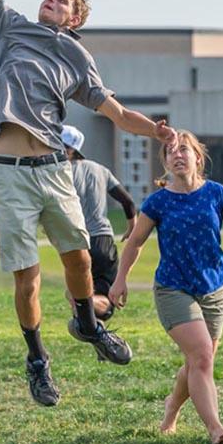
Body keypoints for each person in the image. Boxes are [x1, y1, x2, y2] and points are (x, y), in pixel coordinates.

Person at [0, 0, 176, 407]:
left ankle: (87, 323)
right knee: (27, 276)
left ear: (75, 18)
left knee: (78, 259)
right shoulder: (10, 28)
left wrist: (154, 130)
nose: (50, 0)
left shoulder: (78, 57)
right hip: (10, 174)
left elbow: (116, 112)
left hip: (56, 171)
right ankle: (37, 362)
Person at [109, 131, 223, 444]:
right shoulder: (158, 201)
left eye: (183, 149)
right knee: (201, 356)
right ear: (166, 163)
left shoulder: (216, 193)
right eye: (170, 152)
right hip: (173, 289)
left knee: (199, 359)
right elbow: (135, 243)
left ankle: (171, 408)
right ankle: (215, 429)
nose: (177, 155)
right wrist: (120, 280)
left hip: (214, 288)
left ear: (198, 157)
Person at [61, 125, 136, 330]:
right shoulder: (100, 169)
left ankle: (80, 302)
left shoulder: (59, 172)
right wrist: (132, 228)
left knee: (80, 292)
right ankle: (92, 326)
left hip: (76, 240)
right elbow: (128, 202)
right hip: (103, 239)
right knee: (106, 300)